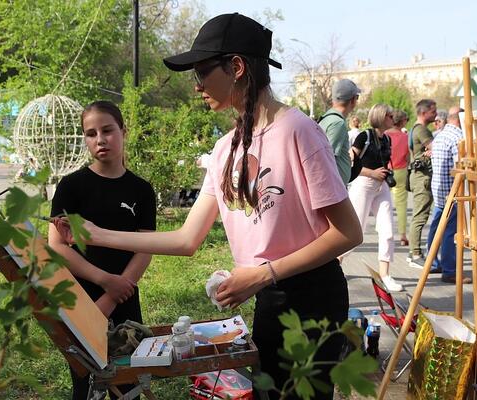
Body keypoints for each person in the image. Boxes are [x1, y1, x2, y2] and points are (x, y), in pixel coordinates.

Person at [55, 13, 362, 400]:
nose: (197, 86)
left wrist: (263, 273)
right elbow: (186, 238)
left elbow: (348, 232)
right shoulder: (224, 149)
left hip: (313, 297)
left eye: (202, 72)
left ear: (236, 67)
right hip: (268, 296)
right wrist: (96, 234)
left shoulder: (299, 131)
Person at [48, 100, 156, 400]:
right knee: (87, 383)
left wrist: (116, 292)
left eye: (107, 130)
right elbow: (57, 246)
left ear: (123, 130)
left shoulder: (142, 190)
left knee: (129, 382)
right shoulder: (71, 186)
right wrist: (104, 281)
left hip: (126, 296)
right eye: (91, 133)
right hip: (82, 298)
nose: (100, 139)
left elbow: (145, 248)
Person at [346, 104, 403, 292]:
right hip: (363, 185)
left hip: (382, 186)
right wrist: (372, 173)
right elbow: (350, 162)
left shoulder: (386, 139)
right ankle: (334, 266)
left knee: (387, 230)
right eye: (389, 115)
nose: (392, 118)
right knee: (355, 231)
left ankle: (385, 275)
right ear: (380, 116)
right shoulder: (364, 136)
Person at [426, 106, 472, 284]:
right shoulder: (458, 138)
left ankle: (433, 262)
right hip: (451, 191)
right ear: (460, 119)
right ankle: (450, 270)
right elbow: (460, 168)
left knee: (436, 227)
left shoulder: (440, 135)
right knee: (449, 232)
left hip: (438, 189)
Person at [407, 99, 437, 268]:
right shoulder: (422, 131)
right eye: (433, 111)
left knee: (420, 215)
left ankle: (414, 251)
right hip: (422, 177)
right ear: (424, 113)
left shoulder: (414, 129)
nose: (436, 115)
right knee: (420, 216)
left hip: (418, 176)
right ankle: (415, 253)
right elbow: (435, 148)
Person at [318, 79, 361, 183]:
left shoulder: (327, 118)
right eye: (357, 97)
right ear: (353, 100)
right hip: (333, 188)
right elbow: (327, 159)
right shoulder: (338, 123)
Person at [386, 110, 410, 246]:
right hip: (400, 170)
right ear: (402, 121)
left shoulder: (384, 135)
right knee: (401, 204)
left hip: (386, 170)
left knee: (386, 204)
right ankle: (402, 234)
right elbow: (408, 156)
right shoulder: (405, 137)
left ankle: (387, 233)